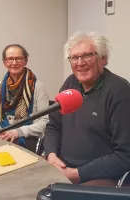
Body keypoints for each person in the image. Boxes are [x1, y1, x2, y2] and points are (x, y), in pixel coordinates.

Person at [44, 31, 130, 186]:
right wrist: (51, 155)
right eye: (74, 58)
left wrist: (77, 174)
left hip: (99, 177)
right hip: (63, 167)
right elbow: (53, 127)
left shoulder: (120, 91)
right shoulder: (70, 83)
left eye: (87, 55)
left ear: (103, 59)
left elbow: (125, 155)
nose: (80, 62)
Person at [0, 44, 49, 148]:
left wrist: (18, 132)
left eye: (19, 59)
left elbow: (45, 122)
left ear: (25, 61)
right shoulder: (0, 86)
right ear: (5, 63)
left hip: (28, 138)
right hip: (3, 136)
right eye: (10, 59)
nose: (14, 63)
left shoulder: (38, 86)